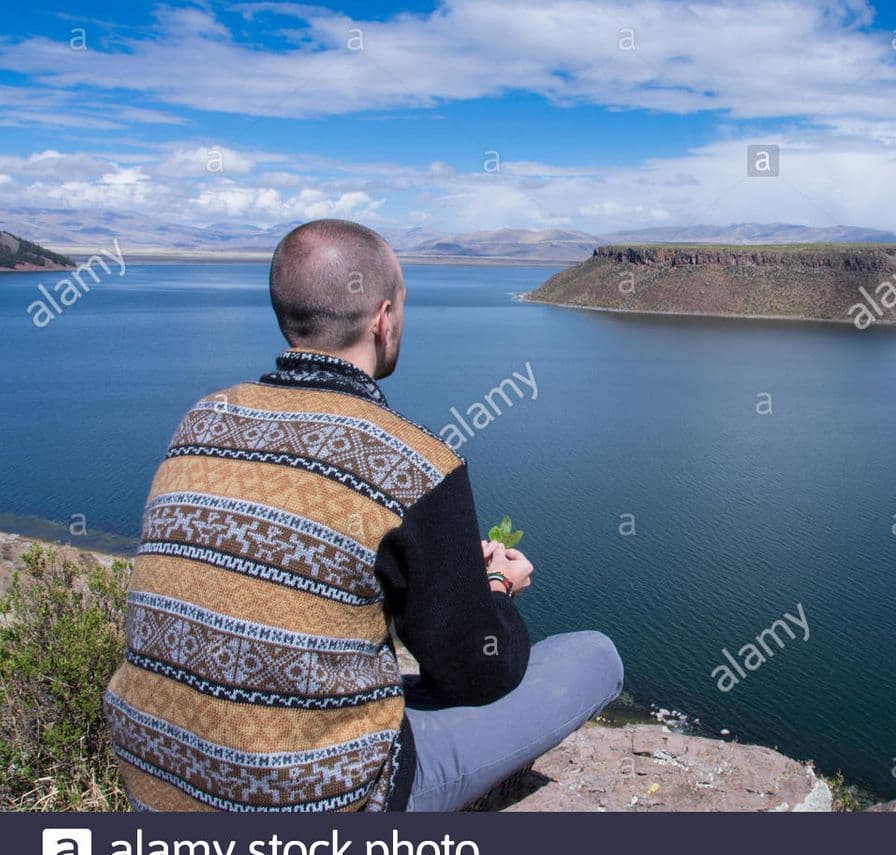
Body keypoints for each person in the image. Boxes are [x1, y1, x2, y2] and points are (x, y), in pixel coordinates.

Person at [103, 218, 623, 811]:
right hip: (312, 806)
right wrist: (497, 587)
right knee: (594, 657)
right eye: (401, 305)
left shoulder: (203, 420)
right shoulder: (414, 463)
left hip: (152, 780)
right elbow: (477, 672)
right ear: (383, 319)